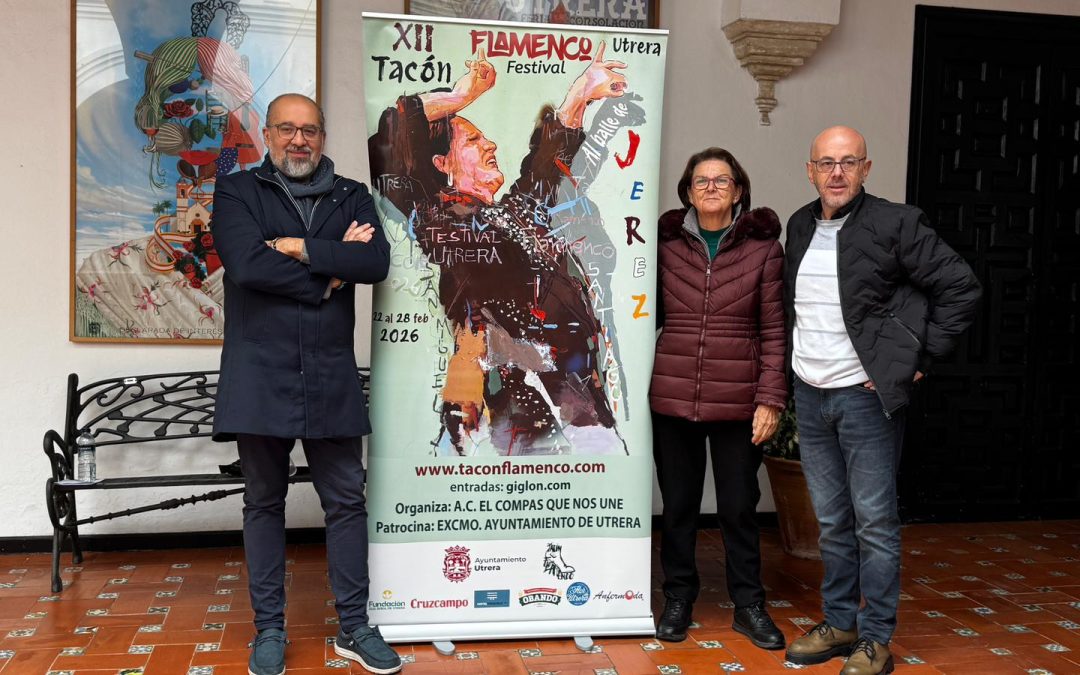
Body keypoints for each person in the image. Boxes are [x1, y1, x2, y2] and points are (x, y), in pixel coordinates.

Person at [212, 93, 401, 675]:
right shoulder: (238, 192)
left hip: (329, 373)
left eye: (310, 130)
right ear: (268, 135)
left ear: (322, 137)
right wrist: (329, 273)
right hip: (259, 374)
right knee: (263, 502)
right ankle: (269, 630)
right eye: (287, 129)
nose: (299, 140)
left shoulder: (353, 195)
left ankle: (355, 626)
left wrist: (297, 248)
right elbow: (246, 264)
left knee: (346, 501)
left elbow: (374, 264)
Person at [782, 126, 981, 675]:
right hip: (810, 393)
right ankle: (839, 623)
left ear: (866, 169)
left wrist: (917, 359)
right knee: (831, 521)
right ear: (810, 171)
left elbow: (960, 287)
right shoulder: (799, 225)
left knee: (873, 523)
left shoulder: (897, 223)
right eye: (826, 163)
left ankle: (875, 638)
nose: (837, 172)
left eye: (848, 162)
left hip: (865, 399)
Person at [367, 45, 627, 457]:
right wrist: (461, 96)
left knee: (598, 473)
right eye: (473, 140)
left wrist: (581, 94)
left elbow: (545, 167)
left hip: (578, 401)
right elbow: (391, 137)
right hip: (508, 413)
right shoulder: (436, 219)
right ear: (441, 164)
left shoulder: (515, 214)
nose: (489, 144)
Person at [650, 147, 787, 649]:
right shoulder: (664, 247)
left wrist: (771, 399)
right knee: (679, 506)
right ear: (687, 191)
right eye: (701, 180)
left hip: (739, 401)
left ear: (739, 190)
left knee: (738, 507)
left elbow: (775, 331)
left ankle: (749, 605)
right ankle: (678, 598)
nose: (711, 188)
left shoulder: (764, 250)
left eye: (722, 180)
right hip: (673, 395)